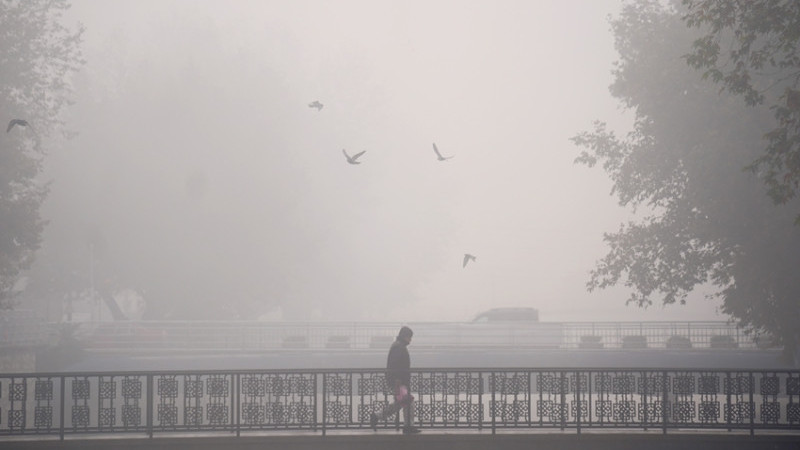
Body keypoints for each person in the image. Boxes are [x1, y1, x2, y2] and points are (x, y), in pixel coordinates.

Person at [370, 326, 420, 434]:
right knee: (408, 401)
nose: (410, 340)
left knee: (401, 402)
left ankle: (377, 416)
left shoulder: (398, 346)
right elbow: (395, 365)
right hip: (399, 381)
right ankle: (408, 426)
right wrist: (398, 380)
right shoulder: (399, 347)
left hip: (398, 381)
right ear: (405, 336)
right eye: (409, 337)